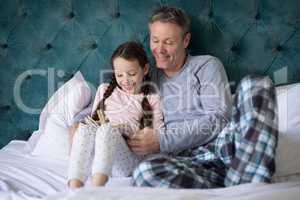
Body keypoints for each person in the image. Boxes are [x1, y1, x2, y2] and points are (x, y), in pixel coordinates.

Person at [129, 6, 278, 188]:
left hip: (223, 147)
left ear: (186, 40)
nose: (159, 49)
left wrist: (162, 139)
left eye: (168, 42)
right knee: (144, 173)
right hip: (186, 162)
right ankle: (237, 182)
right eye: (155, 40)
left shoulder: (207, 65)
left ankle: (245, 181)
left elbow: (219, 118)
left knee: (257, 85)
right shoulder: (145, 77)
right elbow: (113, 100)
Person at [67, 41, 164, 188]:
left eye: (131, 74)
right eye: (119, 75)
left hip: (127, 161)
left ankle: (96, 190)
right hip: (99, 157)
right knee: (86, 127)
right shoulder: (104, 90)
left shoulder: (152, 99)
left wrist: (130, 133)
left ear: (145, 69)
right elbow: (94, 123)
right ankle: (74, 189)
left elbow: (158, 138)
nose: (125, 80)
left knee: (107, 130)